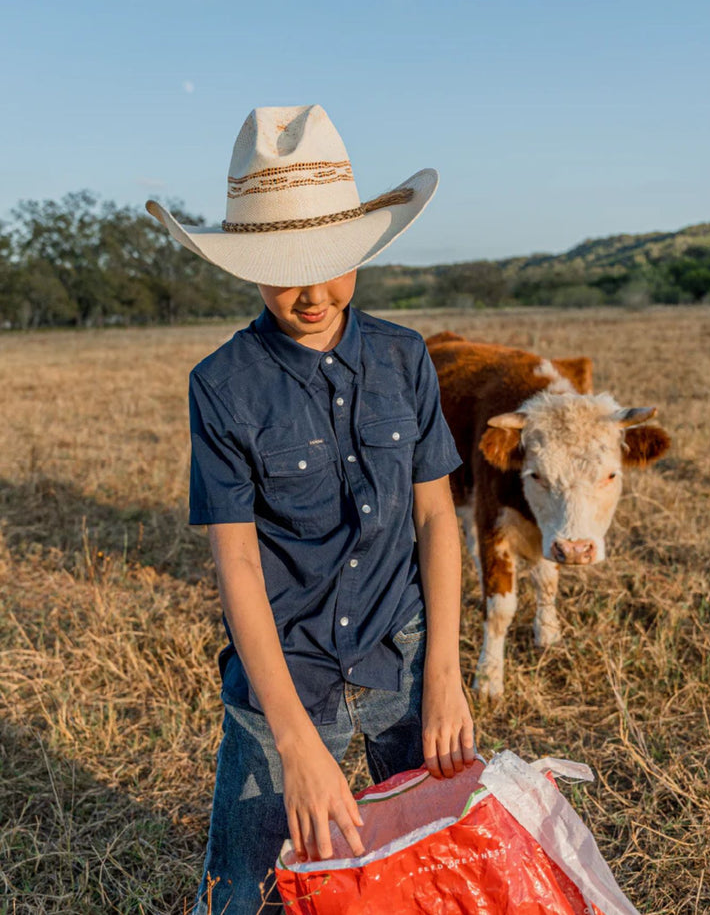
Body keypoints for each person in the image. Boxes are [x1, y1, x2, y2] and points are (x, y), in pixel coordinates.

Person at [146, 104, 475, 914]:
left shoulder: (405, 358)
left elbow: (437, 520)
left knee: (441, 874)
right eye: (286, 263)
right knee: (239, 898)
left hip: (402, 657)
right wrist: (293, 740)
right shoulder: (221, 387)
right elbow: (239, 563)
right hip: (285, 680)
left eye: (331, 259)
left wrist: (445, 673)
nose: (314, 291)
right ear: (247, 264)